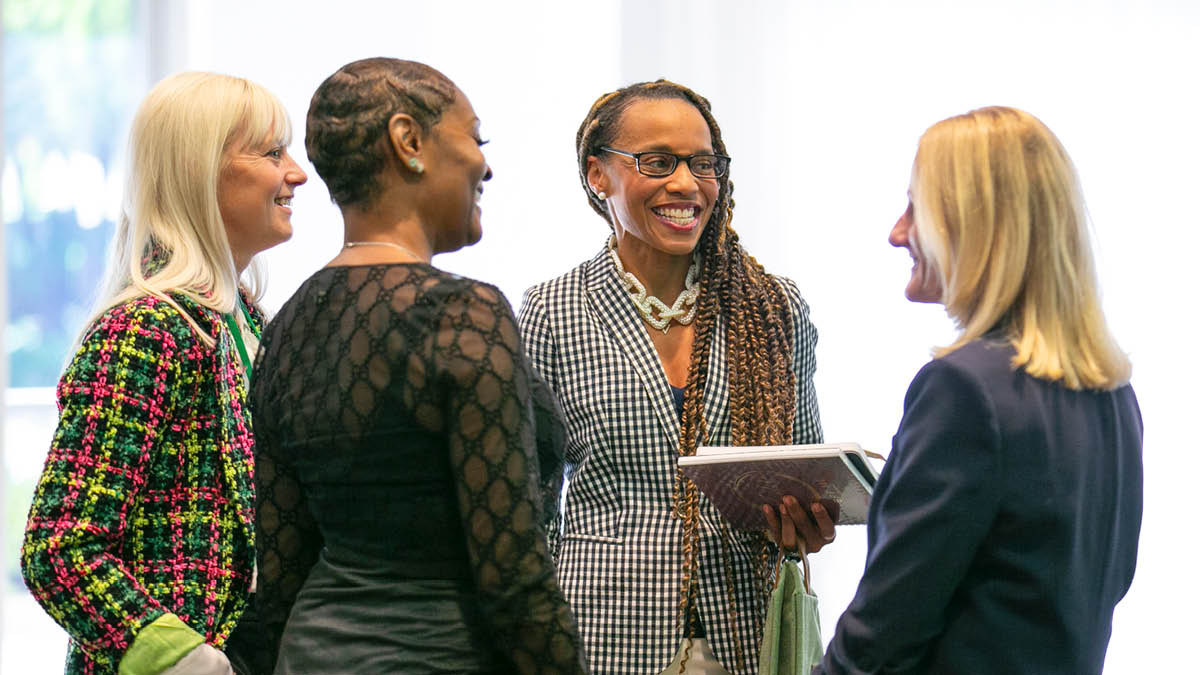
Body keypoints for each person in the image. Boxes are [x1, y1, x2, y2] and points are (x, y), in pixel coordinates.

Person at [249, 57, 587, 674]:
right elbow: (514, 580)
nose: (487, 164)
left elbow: (277, 574)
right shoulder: (462, 316)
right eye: (474, 137)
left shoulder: (284, 330)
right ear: (409, 142)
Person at [517, 80, 835, 675]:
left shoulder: (772, 307)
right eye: (658, 162)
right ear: (598, 176)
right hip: (598, 637)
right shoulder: (551, 311)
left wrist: (806, 524)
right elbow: (527, 509)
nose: (687, 184)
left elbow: (805, 472)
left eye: (702, 163)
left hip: (744, 633)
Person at [815, 106, 1143, 675]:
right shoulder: (1113, 394)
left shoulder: (962, 390)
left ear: (976, 225)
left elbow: (882, 637)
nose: (897, 233)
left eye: (918, 208)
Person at [20, 71, 307, 675]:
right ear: (202, 171)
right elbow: (60, 548)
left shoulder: (242, 320)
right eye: (271, 152)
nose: (296, 174)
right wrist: (179, 656)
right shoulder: (145, 329)